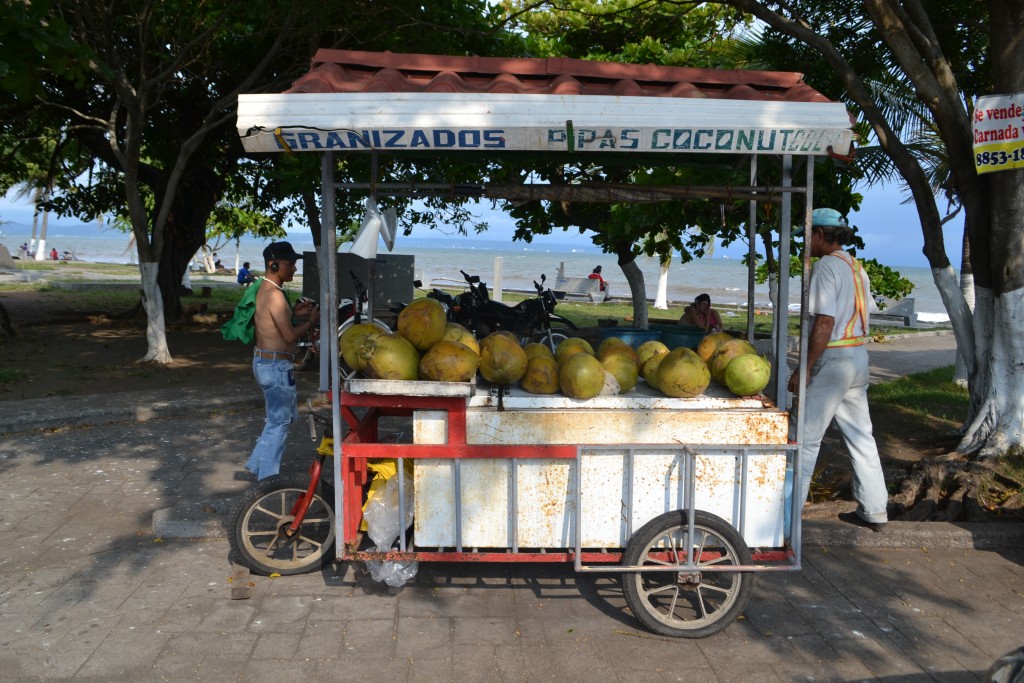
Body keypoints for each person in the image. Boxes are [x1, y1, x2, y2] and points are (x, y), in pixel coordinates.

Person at [788, 208, 888, 532]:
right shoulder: (856, 267)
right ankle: (874, 511)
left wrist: (804, 369)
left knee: (805, 437)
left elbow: (826, 322)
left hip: (835, 361)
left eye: (808, 235)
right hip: (858, 357)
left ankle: (785, 520)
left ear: (819, 234)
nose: (807, 242)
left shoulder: (826, 266)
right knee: (862, 437)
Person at [244, 241, 318, 480]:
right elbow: (288, 335)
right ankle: (267, 479)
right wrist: (311, 322)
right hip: (275, 366)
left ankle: (256, 465)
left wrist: (296, 312)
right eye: (290, 263)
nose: (294, 268)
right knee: (280, 422)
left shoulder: (266, 289)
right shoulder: (275, 295)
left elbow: (274, 316)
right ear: (273, 264)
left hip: (268, 363)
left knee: (276, 419)